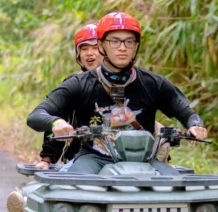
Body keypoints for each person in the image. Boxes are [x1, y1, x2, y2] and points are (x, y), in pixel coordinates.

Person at [27, 12, 207, 175]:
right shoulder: (79, 83)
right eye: (115, 41)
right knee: (75, 188)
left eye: (129, 41)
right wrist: (56, 122)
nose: (122, 48)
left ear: (136, 46)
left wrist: (195, 125)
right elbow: (36, 115)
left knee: (177, 189)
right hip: (93, 159)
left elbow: (186, 112)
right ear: (101, 45)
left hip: (145, 161)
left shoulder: (154, 83)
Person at [34, 23, 102, 170]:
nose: (89, 53)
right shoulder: (73, 84)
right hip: (81, 158)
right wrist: (46, 159)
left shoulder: (128, 80)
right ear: (78, 54)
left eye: (95, 47)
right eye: (84, 48)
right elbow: (56, 120)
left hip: (121, 159)